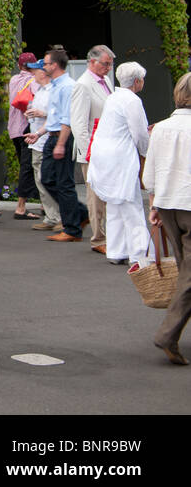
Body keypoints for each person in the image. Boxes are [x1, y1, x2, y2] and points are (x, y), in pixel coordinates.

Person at [143, 72, 191, 365]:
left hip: (168, 205)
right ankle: (168, 333)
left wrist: (154, 204)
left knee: (186, 268)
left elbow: (150, 173)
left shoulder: (161, 128)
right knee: (189, 274)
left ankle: (170, 333)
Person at [87, 62, 152, 267]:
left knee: (115, 203)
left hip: (103, 154)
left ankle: (116, 250)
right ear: (137, 81)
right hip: (120, 157)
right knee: (131, 203)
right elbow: (140, 133)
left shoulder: (113, 97)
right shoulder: (132, 100)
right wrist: (147, 152)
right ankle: (140, 253)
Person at [25, 48, 85, 242]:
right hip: (52, 135)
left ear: (55, 65)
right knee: (48, 179)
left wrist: (60, 143)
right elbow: (54, 117)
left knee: (63, 182)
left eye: (47, 63)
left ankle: (72, 228)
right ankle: (80, 214)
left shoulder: (67, 86)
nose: (44, 67)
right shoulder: (56, 86)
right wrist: (38, 133)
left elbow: (67, 118)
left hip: (61, 137)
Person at [71, 44, 115, 254]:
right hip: (93, 150)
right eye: (105, 64)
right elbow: (79, 124)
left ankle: (109, 235)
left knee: (106, 195)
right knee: (95, 196)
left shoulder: (105, 81)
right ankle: (99, 239)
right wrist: (89, 153)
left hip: (107, 146)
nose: (108, 68)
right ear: (92, 62)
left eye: (110, 64)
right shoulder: (83, 85)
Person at [23, 61, 62, 231]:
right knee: (41, 180)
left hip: (47, 141)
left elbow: (59, 115)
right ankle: (51, 217)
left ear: (42, 72)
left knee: (49, 179)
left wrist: (41, 113)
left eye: (34, 70)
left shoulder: (52, 90)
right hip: (38, 142)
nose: (32, 73)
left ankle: (59, 217)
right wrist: (31, 114)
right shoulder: (39, 90)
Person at [7, 52, 41, 220]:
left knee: (25, 165)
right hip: (28, 128)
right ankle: (21, 207)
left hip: (14, 129)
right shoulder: (34, 81)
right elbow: (35, 103)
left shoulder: (13, 80)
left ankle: (43, 202)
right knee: (29, 167)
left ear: (20, 66)